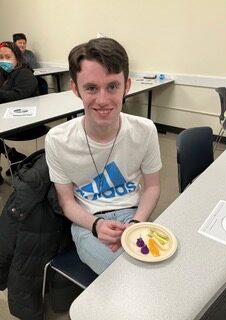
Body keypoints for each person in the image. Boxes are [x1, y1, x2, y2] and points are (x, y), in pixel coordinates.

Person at [45, 37, 162, 274]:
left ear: (126, 86)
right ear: (75, 88)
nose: (103, 100)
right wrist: (96, 225)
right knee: (124, 274)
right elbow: (67, 201)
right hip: (88, 220)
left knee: (155, 266)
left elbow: (152, 187)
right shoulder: (57, 140)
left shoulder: (145, 130)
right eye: (91, 88)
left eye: (112, 86)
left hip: (134, 212)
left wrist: (137, 223)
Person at [0, 41, 38, 183]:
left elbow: (17, 97)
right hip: (7, 117)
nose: (4, 60)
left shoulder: (25, 74)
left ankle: (14, 156)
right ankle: (14, 156)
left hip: (26, 122)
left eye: (8, 57)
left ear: (17, 57)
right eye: (1, 57)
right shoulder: (4, 73)